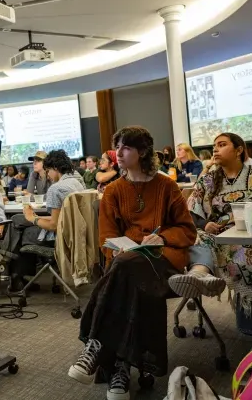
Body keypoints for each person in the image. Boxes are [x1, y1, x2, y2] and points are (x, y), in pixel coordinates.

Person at [68, 126, 197, 399]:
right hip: (127, 262)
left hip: (165, 258)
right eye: (118, 147)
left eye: (126, 147)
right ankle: (121, 365)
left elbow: (187, 231)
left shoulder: (166, 186)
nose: (119, 153)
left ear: (142, 152)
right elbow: (107, 237)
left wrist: (160, 237)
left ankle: (97, 345)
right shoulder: (113, 190)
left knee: (125, 268)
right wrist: (115, 251)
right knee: (126, 269)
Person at [168, 133, 252, 324]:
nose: (215, 149)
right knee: (194, 236)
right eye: (214, 146)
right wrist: (205, 224)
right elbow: (190, 210)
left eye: (221, 145)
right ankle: (199, 275)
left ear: (238, 150)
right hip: (218, 236)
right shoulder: (209, 180)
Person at [6, 150, 84, 290]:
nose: (47, 174)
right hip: (76, 234)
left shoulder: (55, 188)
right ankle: (16, 274)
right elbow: (62, 217)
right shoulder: (77, 182)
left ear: (54, 168)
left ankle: (11, 270)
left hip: (60, 237)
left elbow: (54, 225)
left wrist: (33, 219)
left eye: (48, 170)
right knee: (19, 220)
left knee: (20, 229)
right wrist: (36, 217)